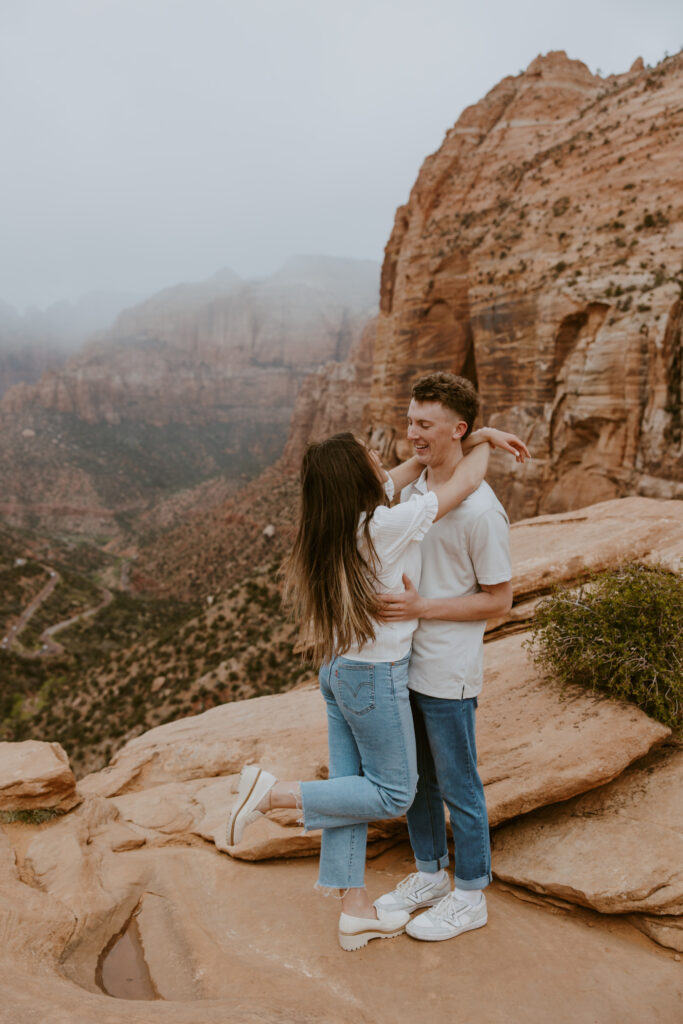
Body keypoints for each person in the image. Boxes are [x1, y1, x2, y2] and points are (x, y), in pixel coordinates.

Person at [227, 424, 527, 952]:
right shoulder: (384, 526)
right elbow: (460, 484)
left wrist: (454, 440)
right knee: (394, 792)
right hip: (373, 677)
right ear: (355, 476)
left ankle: (354, 911)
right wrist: (481, 442)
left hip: (339, 671)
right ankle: (273, 795)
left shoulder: (340, 519)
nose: (380, 456)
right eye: (368, 454)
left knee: (350, 796)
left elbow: (397, 475)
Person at [374, 372, 518, 943]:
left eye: (424, 424)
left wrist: (420, 606)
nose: (412, 433)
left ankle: (470, 894)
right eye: (409, 421)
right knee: (416, 782)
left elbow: (500, 600)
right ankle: (431, 874)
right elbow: (388, 483)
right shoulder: (415, 496)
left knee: (460, 783)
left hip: (448, 671)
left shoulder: (482, 512)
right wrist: (481, 436)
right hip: (402, 661)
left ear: (454, 429)